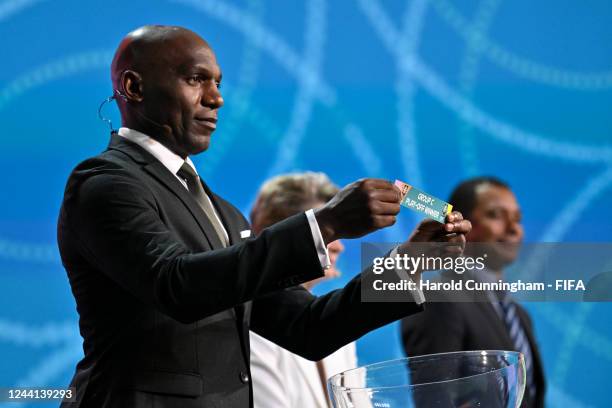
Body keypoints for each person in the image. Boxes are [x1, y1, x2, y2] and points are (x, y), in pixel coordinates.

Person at [57, 25, 471, 408]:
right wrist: (325, 223)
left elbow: (308, 326)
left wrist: (413, 258)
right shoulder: (105, 184)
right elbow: (176, 285)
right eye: (195, 79)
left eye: (218, 83)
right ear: (133, 87)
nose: (216, 98)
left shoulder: (222, 212)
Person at [400, 177, 546, 408]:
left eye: (517, 219)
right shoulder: (438, 297)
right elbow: (435, 400)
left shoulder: (519, 315)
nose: (513, 228)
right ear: (461, 223)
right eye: (496, 215)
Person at [248, 172, 353, 408]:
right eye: (327, 233)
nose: (340, 246)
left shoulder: (336, 325)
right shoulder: (251, 325)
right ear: (278, 235)